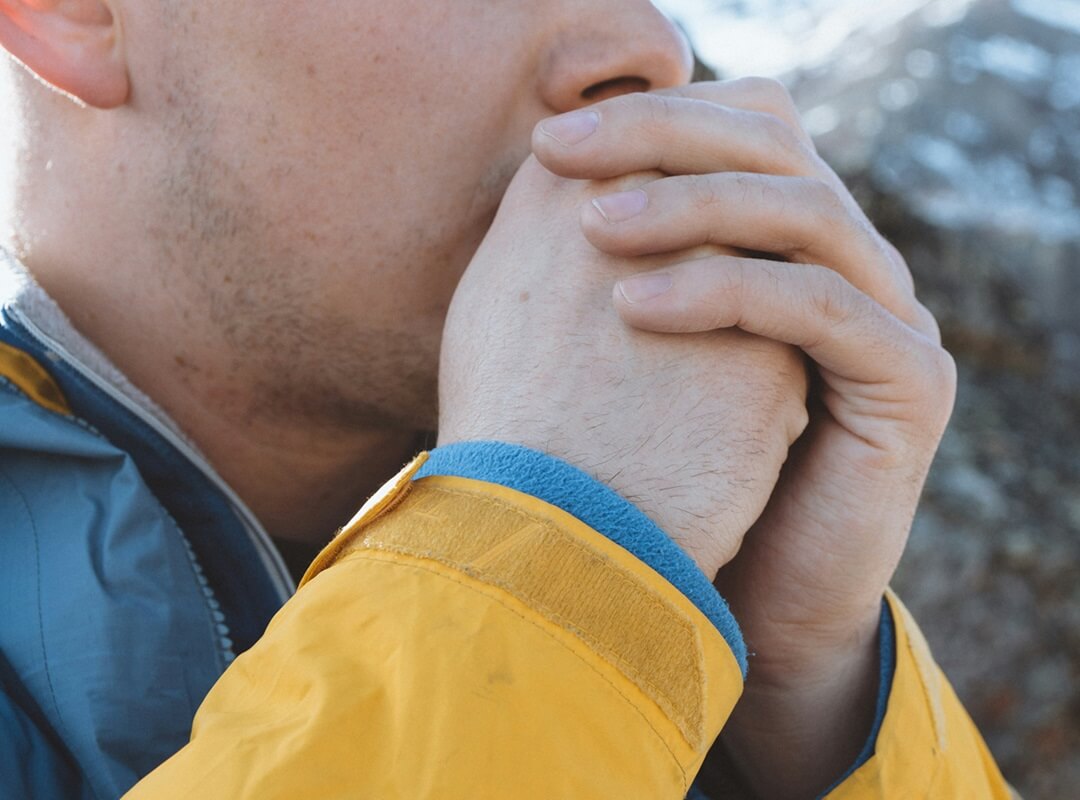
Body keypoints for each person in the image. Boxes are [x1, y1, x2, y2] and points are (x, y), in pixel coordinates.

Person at [0, 1, 1014, 798]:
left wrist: (810, 704)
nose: (651, 44)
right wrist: (544, 569)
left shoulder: (693, 585)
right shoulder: (591, 553)